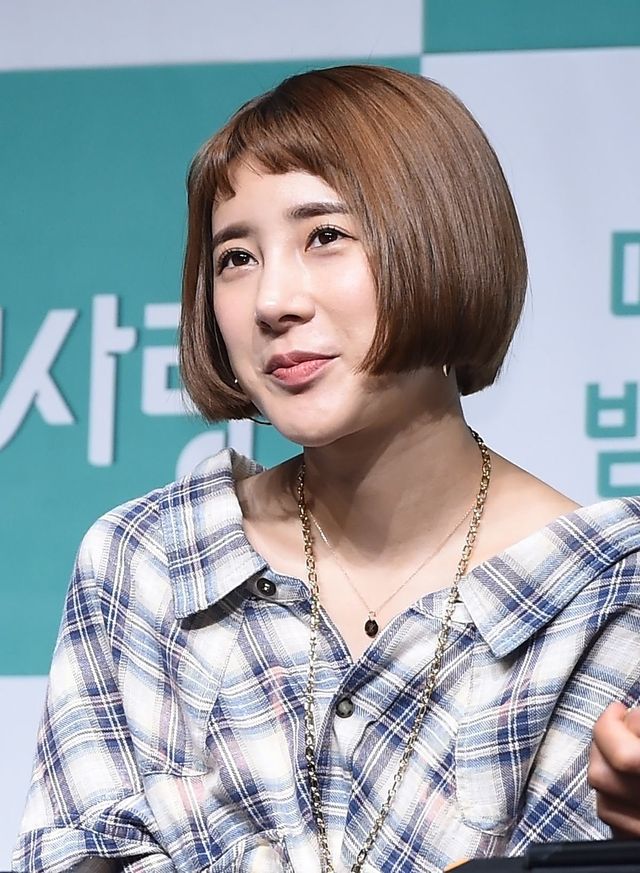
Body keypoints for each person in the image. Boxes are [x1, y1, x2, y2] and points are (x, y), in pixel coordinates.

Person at [13, 65, 640, 873]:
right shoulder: (149, 562)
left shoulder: (606, 589)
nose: (272, 300)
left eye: (325, 237)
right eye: (236, 257)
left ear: (443, 237)